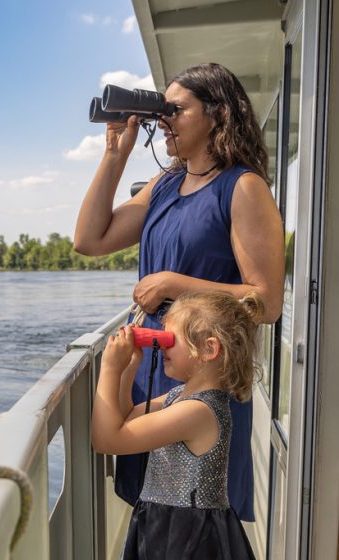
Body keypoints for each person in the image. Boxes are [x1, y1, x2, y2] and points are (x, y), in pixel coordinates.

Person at [74, 62, 285, 521]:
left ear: (217, 114)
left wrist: (175, 283)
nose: (163, 119)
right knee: (151, 506)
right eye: (161, 109)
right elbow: (89, 241)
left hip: (203, 372)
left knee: (196, 514)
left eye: (176, 109)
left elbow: (266, 302)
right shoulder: (165, 184)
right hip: (154, 366)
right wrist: (115, 155)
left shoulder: (243, 187)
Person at [92, 291, 262, 559]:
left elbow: (107, 440)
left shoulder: (198, 411)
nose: (162, 345)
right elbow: (125, 418)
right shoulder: (179, 396)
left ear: (209, 349)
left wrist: (109, 368)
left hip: (187, 537)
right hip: (169, 525)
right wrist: (129, 369)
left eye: (170, 339)